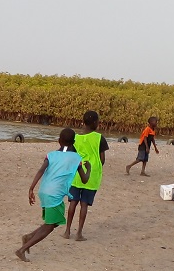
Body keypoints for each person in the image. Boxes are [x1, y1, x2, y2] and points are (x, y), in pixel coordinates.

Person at [16, 128, 91, 261]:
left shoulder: (51, 155)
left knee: (54, 222)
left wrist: (31, 188)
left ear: (59, 141)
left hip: (44, 191)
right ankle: (22, 249)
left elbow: (41, 171)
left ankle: (28, 237)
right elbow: (84, 179)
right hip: (54, 194)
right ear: (74, 142)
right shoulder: (76, 158)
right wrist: (89, 168)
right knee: (50, 225)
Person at [64, 110, 108, 241]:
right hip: (91, 175)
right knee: (84, 204)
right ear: (95, 123)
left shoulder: (75, 138)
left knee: (73, 202)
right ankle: (79, 234)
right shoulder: (99, 138)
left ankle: (67, 231)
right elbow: (102, 159)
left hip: (77, 174)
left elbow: (70, 155)